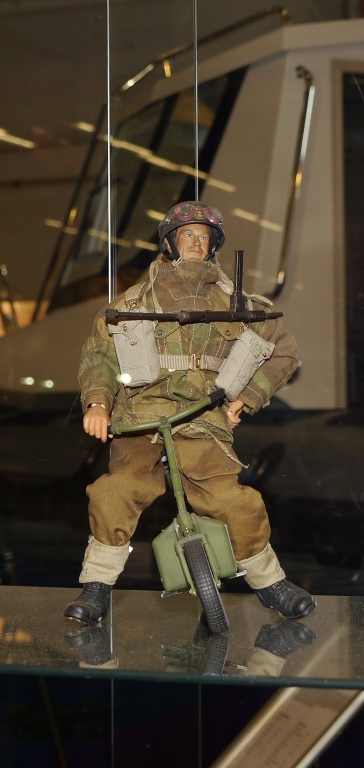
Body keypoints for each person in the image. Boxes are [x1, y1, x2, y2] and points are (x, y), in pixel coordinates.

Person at [65, 201, 316, 625]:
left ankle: (271, 583)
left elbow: (284, 351)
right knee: (116, 491)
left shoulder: (236, 303)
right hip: (142, 417)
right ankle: (97, 586)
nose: (197, 243)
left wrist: (247, 396)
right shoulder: (132, 302)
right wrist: (97, 403)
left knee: (234, 500)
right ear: (169, 243)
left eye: (204, 237)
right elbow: (99, 355)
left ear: (214, 246)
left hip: (203, 418)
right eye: (188, 235)